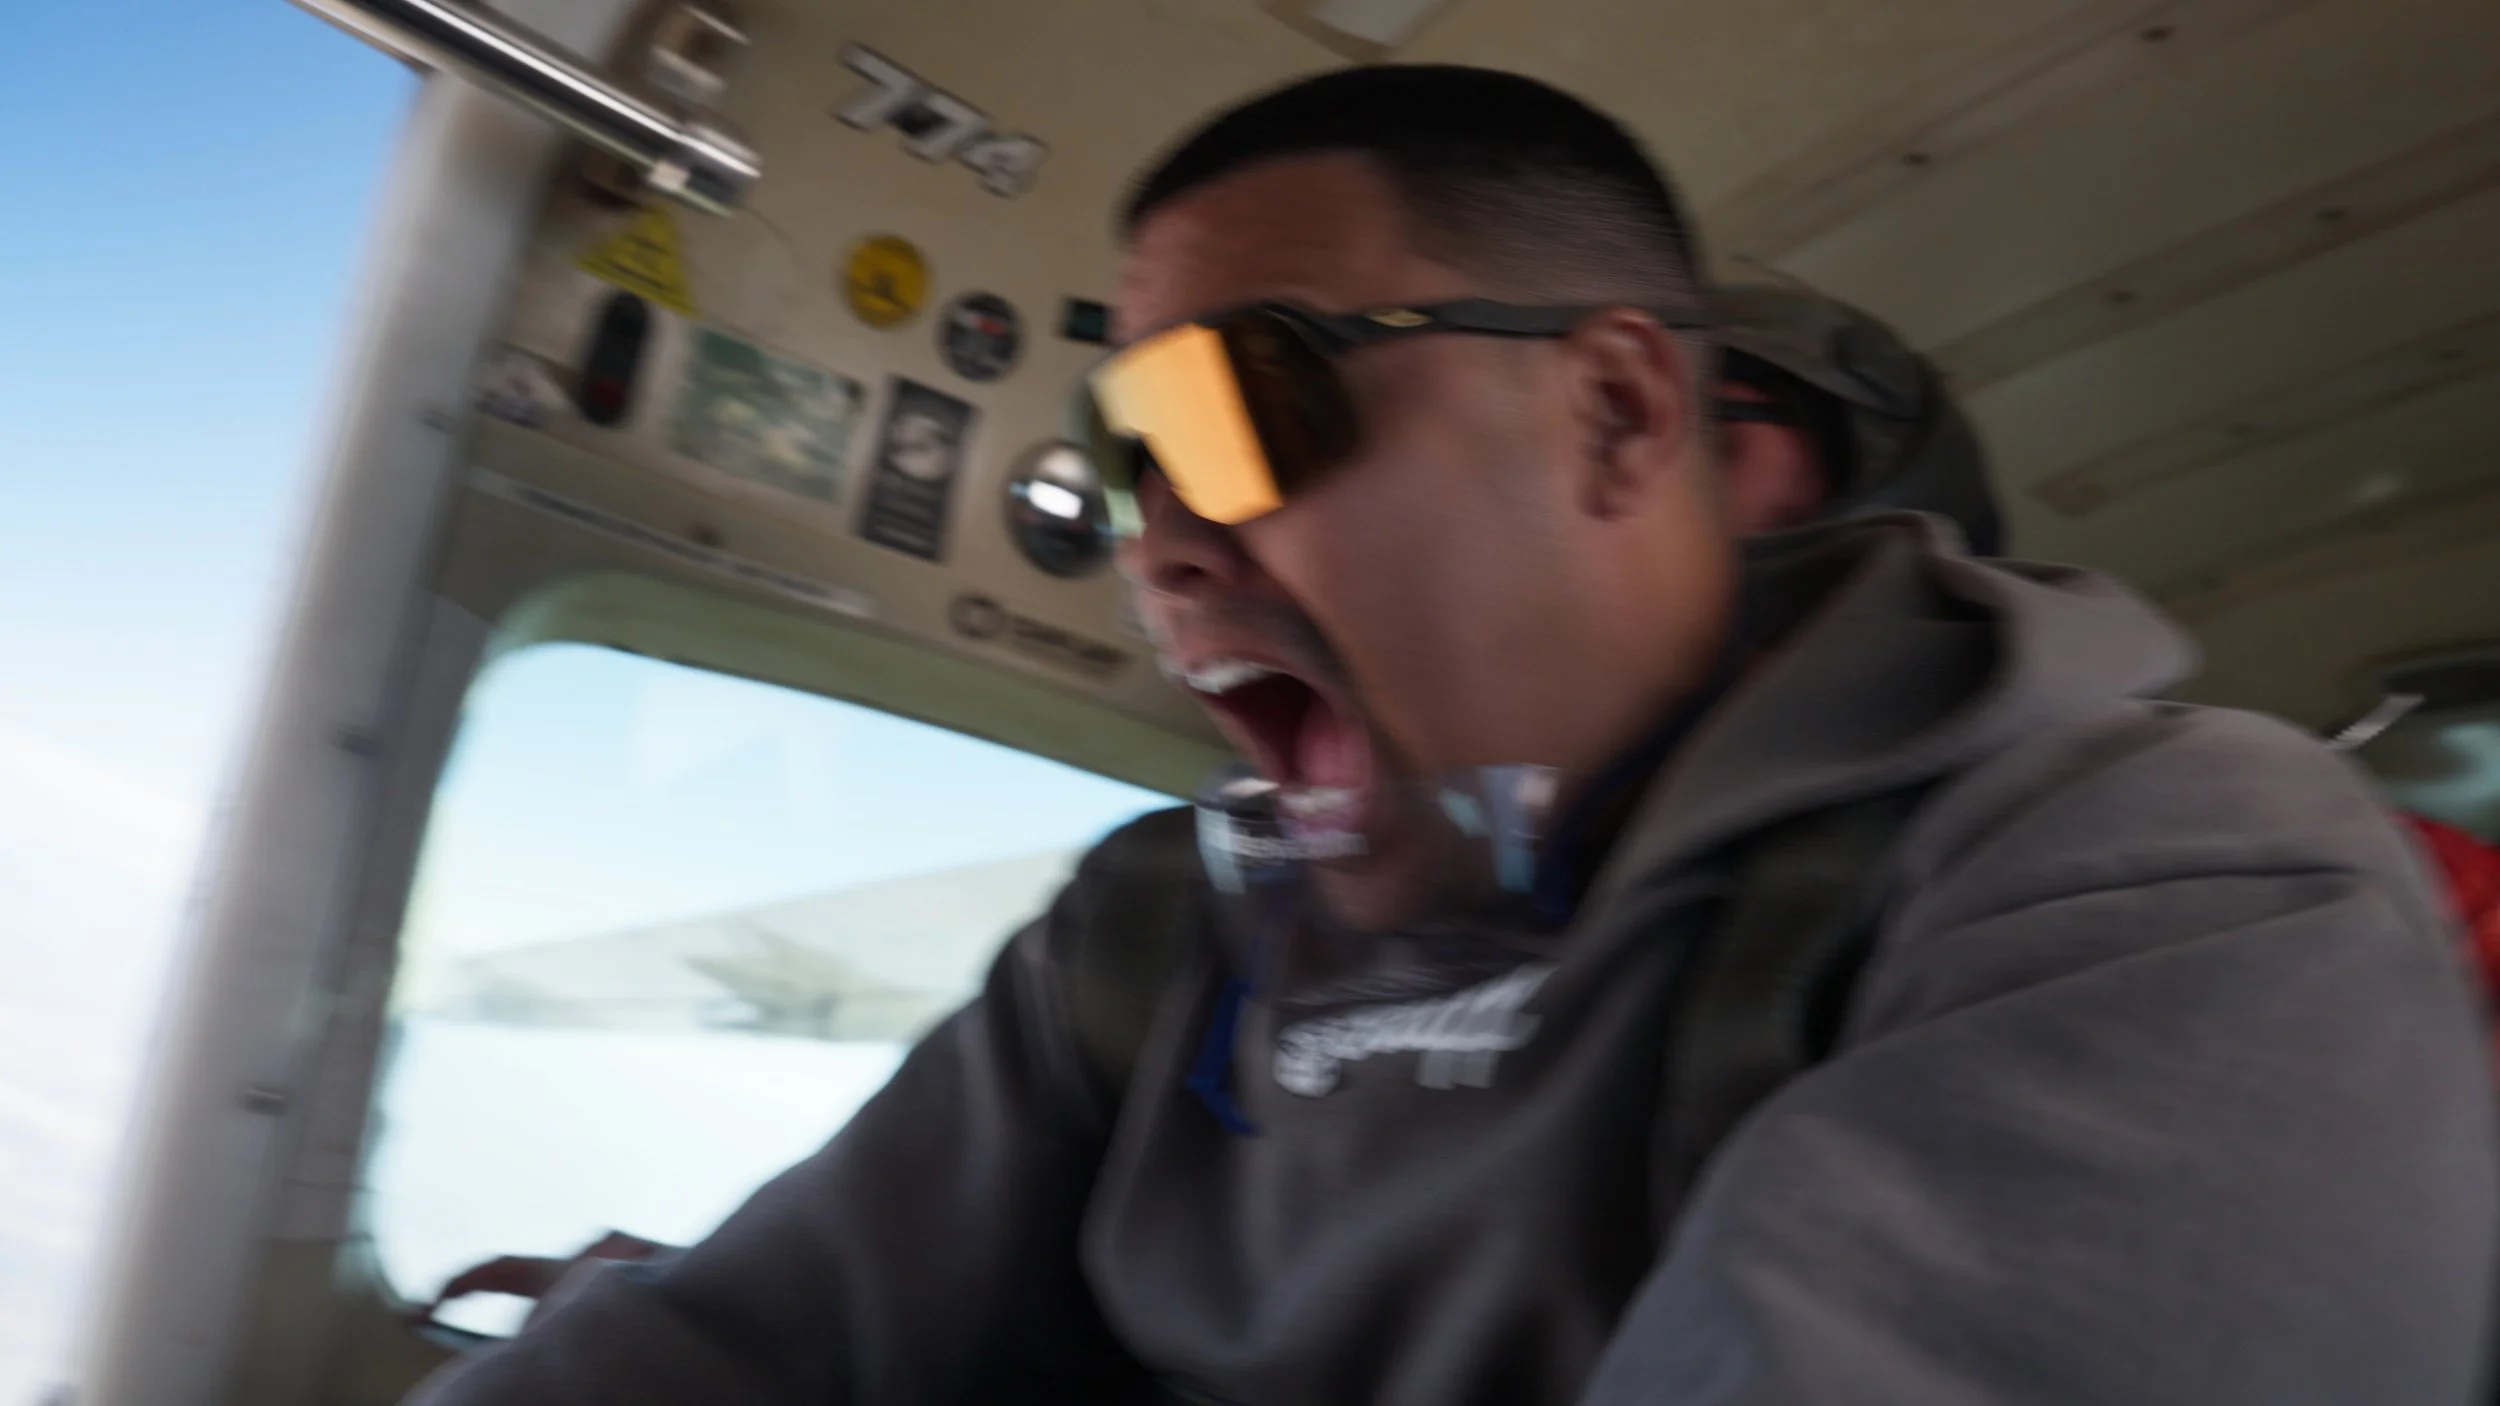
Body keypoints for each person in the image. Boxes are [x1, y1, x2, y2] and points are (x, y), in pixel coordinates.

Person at [409, 65, 2497, 1404]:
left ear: (1613, 414)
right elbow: (737, 1351)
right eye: (1122, 456)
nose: (1161, 542)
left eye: (1236, 414)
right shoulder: (1155, 939)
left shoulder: (2183, 889)